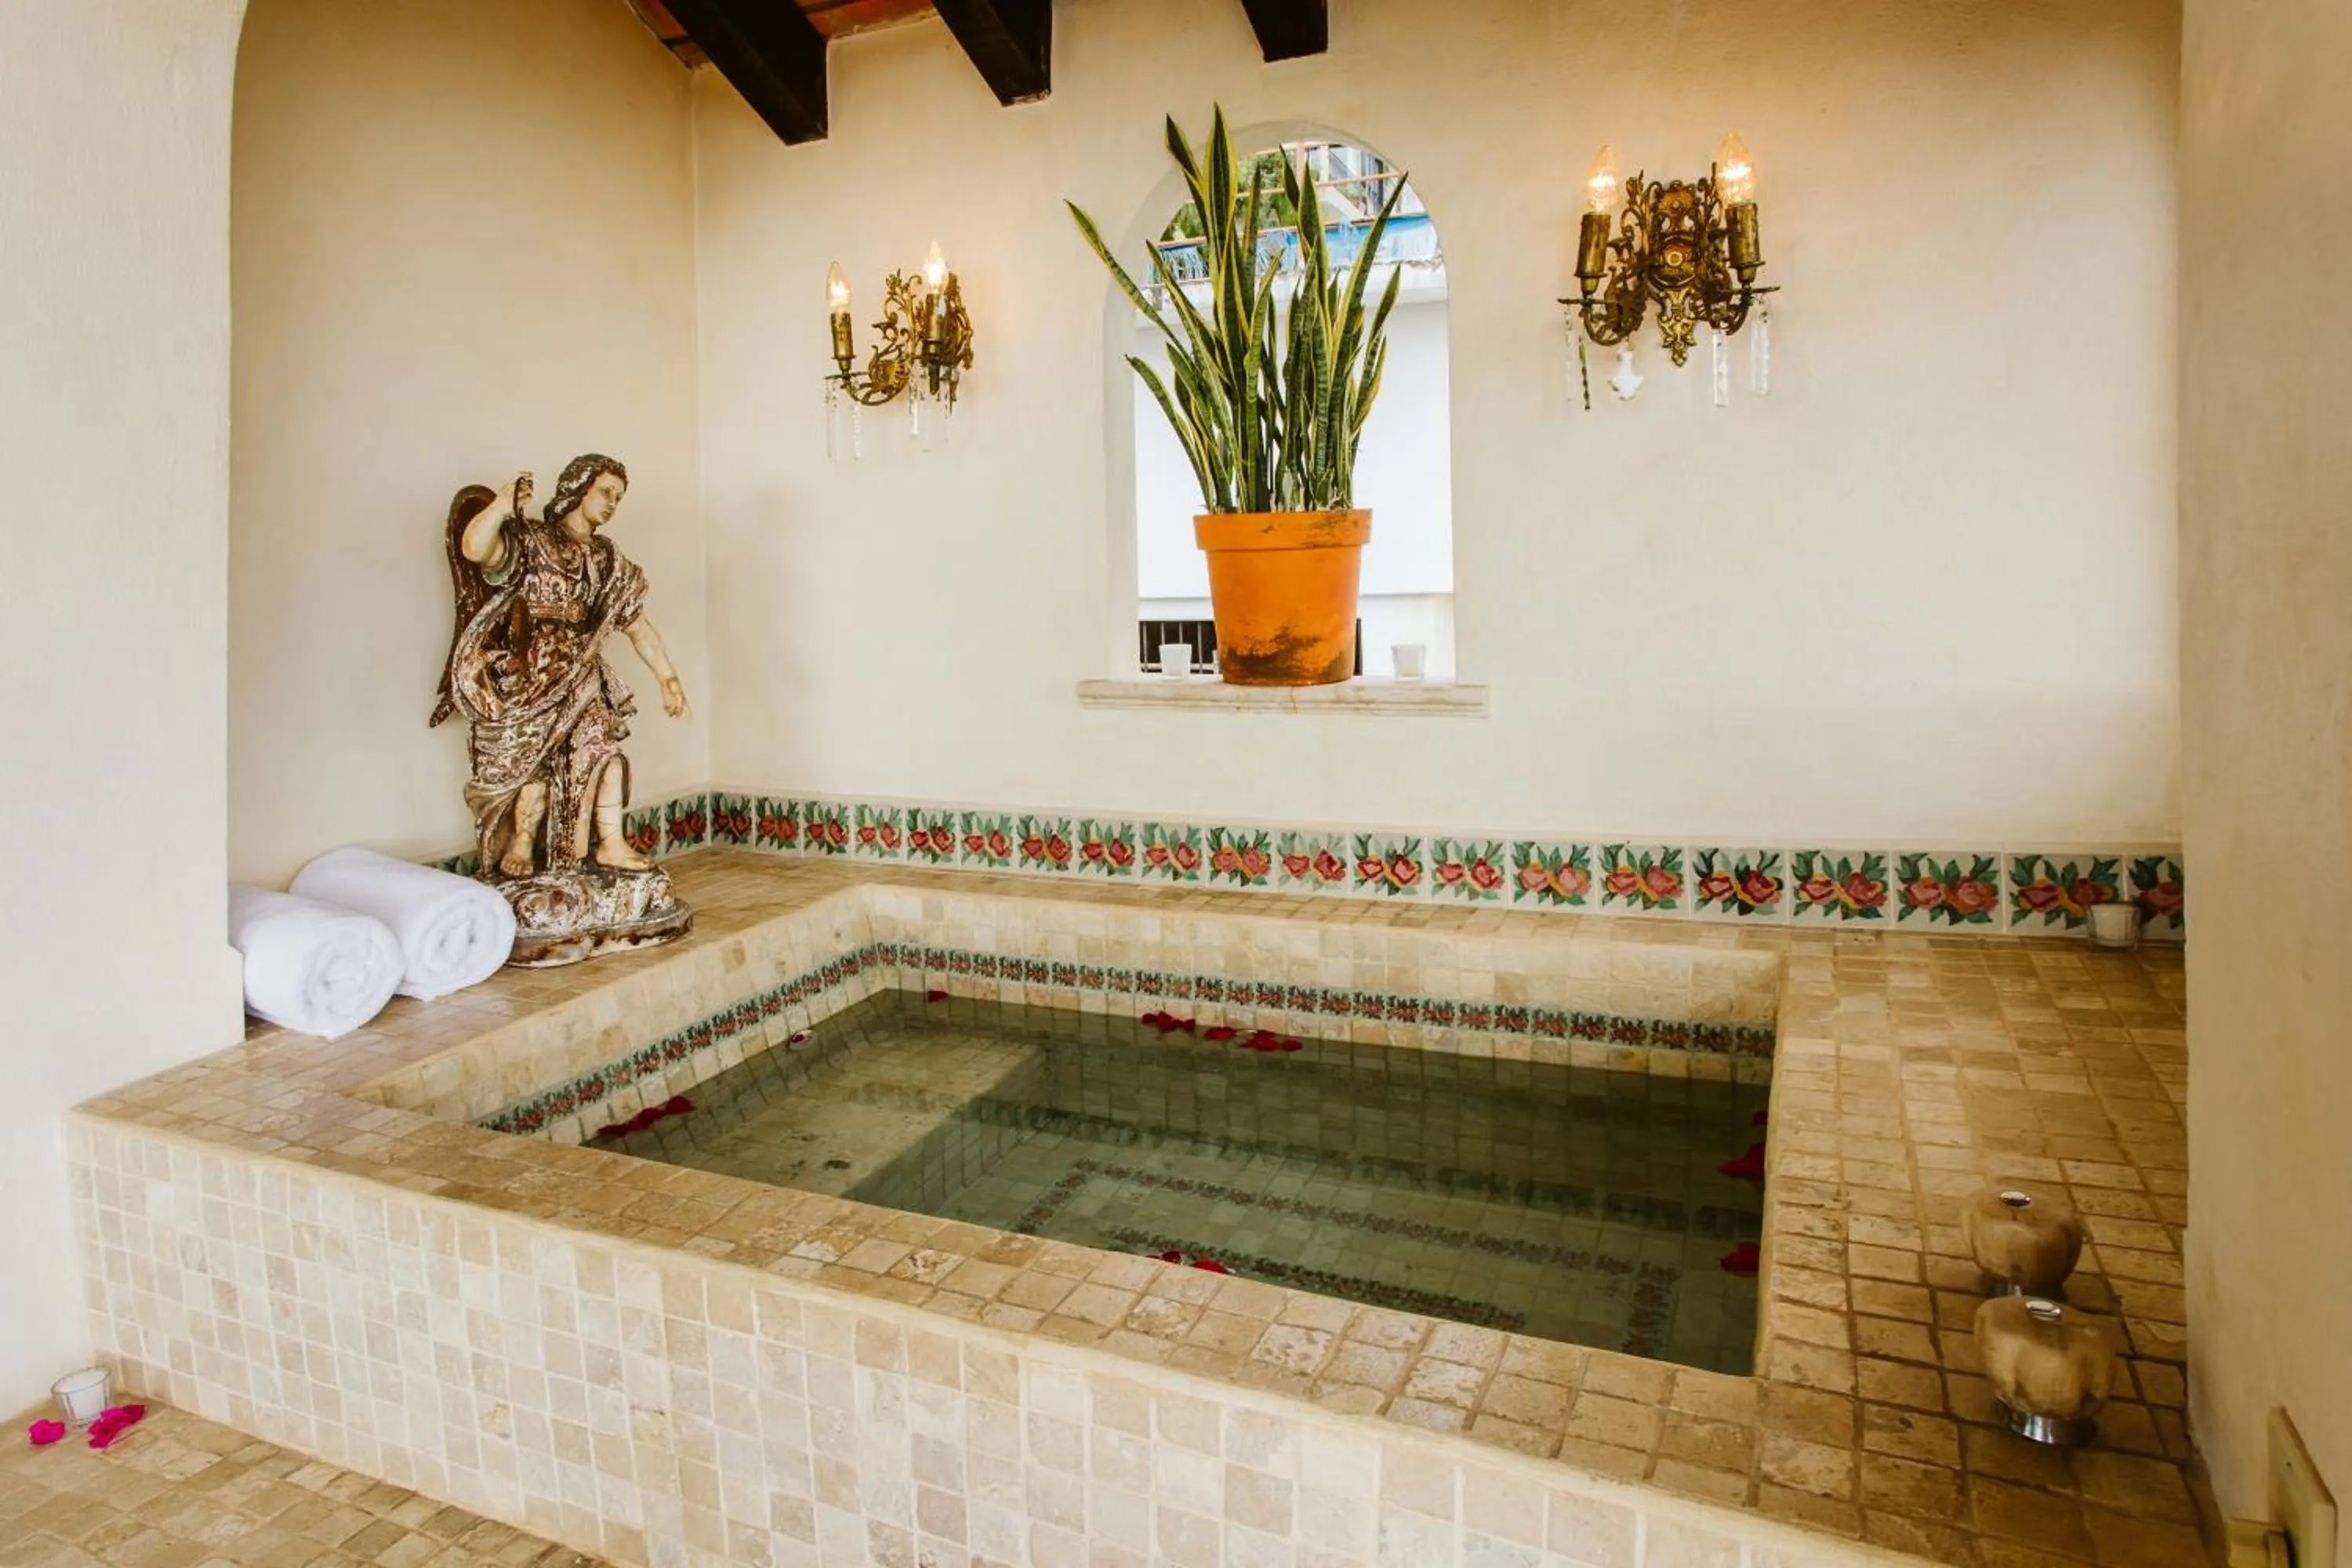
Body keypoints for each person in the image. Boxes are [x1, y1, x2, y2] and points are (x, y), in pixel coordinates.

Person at [432, 452, 688, 880]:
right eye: (606, 491)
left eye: (619, 498)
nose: (611, 503)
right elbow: (475, 549)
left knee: (603, 751)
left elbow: (637, 625)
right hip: (532, 670)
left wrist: (668, 678)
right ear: (579, 487)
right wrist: (500, 504)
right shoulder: (534, 539)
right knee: (536, 760)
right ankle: (521, 840)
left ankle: (610, 843)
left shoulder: (608, 559)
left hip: (582, 669)